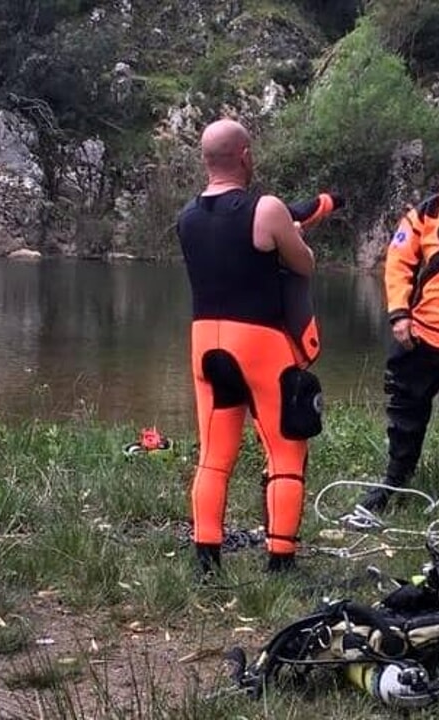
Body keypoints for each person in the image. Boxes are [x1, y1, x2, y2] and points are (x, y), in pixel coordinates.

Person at [176, 119, 317, 576]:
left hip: (205, 342)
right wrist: (294, 233)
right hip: (259, 343)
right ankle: (280, 560)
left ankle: (207, 559)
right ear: (246, 155)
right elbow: (304, 265)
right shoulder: (268, 208)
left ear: (205, 160)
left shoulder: (186, 217)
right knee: (285, 452)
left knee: (214, 456)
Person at [351, 156, 439, 517]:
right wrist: (399, 314)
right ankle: (395, 477)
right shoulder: (424, 215)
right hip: (422, 334)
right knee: (404, 413)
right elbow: (398, 264)